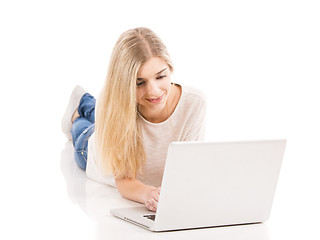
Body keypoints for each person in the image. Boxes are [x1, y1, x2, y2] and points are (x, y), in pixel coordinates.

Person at [61, 27, 206, 212]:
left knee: (103, 110)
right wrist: (148, 194)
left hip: (116, 109)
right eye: (140, 83)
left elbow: (189, 168)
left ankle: (88, 103)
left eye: (160, 76)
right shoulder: (113, 104)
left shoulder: (195, 103)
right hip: (92, 150)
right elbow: (124, 180)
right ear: (124, 85)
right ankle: (79, 107)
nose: (153, 90)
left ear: (170, 69)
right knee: (83, 130)